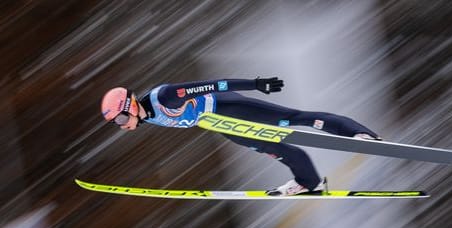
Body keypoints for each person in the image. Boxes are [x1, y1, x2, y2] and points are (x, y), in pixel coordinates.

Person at [100, 77, 381, 196]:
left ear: (130, 106)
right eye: (117, 124)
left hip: (230, 107)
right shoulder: (148, 116)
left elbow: (212, 84)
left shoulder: (164, 97)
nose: (123, 126)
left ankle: (360, 134)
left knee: (295, 118)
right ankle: (310, 182)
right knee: (277, 149)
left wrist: (256, 84)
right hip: (221, 125)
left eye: (122, 119)